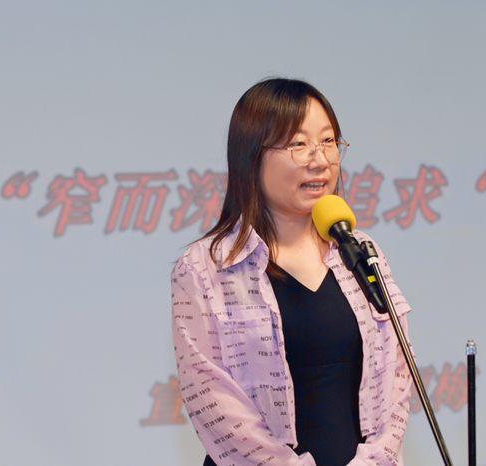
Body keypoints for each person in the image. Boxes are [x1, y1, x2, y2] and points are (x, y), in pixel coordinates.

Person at [171, 78, 413, 466]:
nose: (320, 160)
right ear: (252, 156)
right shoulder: (206, 267)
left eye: (329, 141)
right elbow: (211, 398)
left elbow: (398, 376)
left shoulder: (360, 253)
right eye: (298, 144)